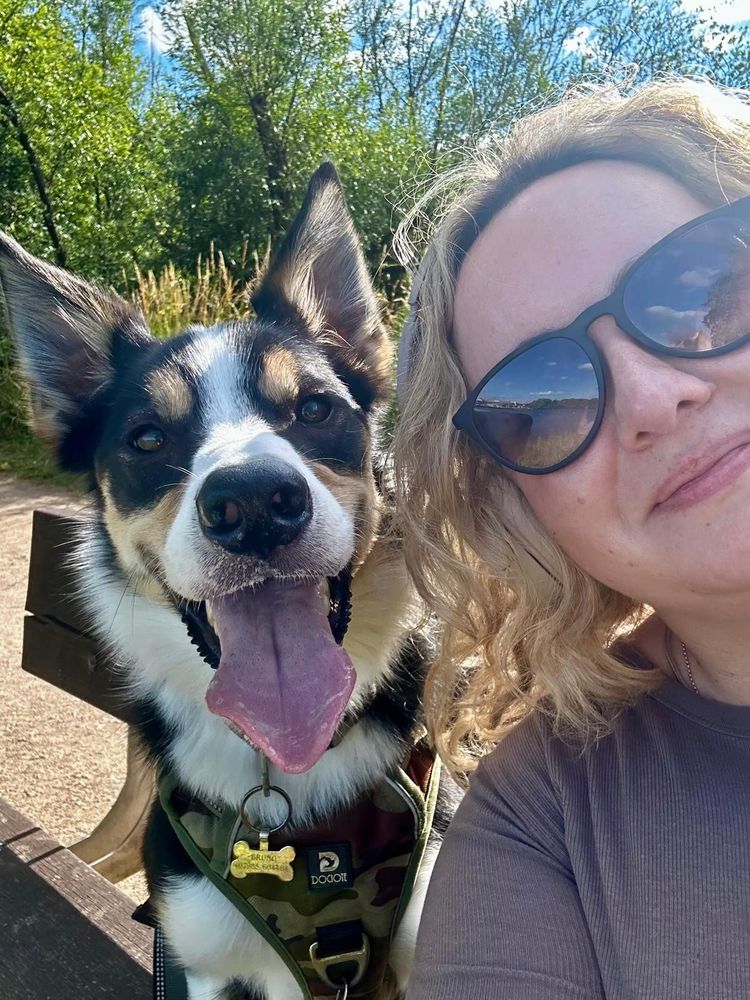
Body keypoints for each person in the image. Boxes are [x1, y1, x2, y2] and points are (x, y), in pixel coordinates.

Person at [393, 78, 750, 999]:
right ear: (520, 511)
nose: (652, 399)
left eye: (707, 289)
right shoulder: (542, 815)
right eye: (541, 401)